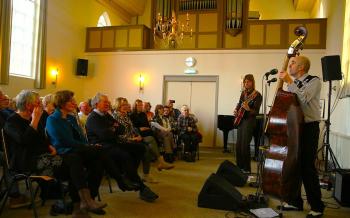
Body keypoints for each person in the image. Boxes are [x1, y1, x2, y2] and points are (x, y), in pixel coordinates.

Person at [86, 93, 159, 202]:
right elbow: (105, 135)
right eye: (105, 102)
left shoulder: (106, 115)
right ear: (97, 104)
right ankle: (137, 182)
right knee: (124, 155)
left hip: (113, 142)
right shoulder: (93, 118)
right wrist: (113, 128)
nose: (108, 103)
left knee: (140, 148)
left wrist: (112, 129)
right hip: (102, 146)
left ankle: (129, 175)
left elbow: (121, 128)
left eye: (108, 101)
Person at [278, 55, 324, 217]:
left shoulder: (314, 81)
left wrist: (289, 82)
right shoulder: (292, 83)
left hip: (309, 128)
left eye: (293, 63)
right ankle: (295, 201)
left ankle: (317, 206)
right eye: (290, 63)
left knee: (307, 167)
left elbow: (304, 99)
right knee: (294, 166)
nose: (289, 65)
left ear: (301, 68)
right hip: (294, 127)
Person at [233, 74, 262, 173]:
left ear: (252, 82)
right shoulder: (243, 93)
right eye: (245, 82)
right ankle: (239, 167)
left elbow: (256, 111)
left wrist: (249, 109)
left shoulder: (257, 95)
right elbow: (239, 103)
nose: (246, 83)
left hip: (249, 121)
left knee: (245, 145)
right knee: (238, 145)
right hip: (241, 120)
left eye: (248, 81)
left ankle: (246, 169)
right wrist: (236, 110)